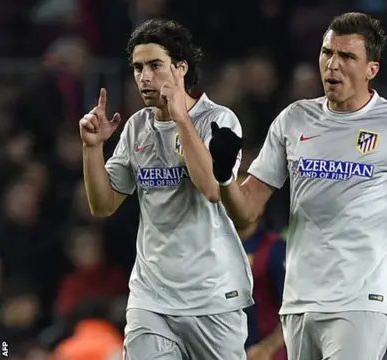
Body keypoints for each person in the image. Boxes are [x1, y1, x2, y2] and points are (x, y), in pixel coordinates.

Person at [207, 12, 387, 360]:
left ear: (371, 69)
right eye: (327, 53)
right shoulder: (293, 119)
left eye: (347, 57)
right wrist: (224, 176)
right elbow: (246, 213)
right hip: (299, 299)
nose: (333, 65)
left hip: (361, 300)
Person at [79, 19, 253, 360]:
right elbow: (102, 205)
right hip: (151, 296)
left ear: (181, 68)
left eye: (155, 66)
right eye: (137, 67)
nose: (144, 77)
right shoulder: (136, 128)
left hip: (213, 295)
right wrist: (92, 148)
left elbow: (211, 189)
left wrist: (181, 121)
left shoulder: (219, 121)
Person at [236, 173, 287, 360]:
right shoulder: (212, 250)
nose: (235, 202)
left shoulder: (274, 249)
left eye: (243, 194)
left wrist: (267, 348)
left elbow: (294, 310)